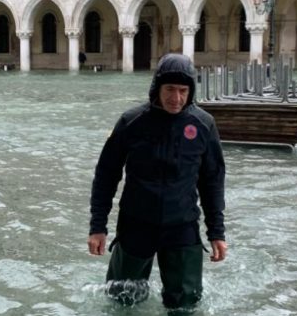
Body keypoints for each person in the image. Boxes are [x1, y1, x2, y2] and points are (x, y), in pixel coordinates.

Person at [88, 53, 227, 309]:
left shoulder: (204, 125)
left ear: (191, 90)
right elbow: (106, 175)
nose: (176, 98)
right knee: (122, 299)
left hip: (182, 226)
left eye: (183, 90)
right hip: (136, 225)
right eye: (170, 89)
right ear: (157, 88)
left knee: (185, 302)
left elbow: (212, 182)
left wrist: (216, 231)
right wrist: (98, 226)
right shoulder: (131, 122)